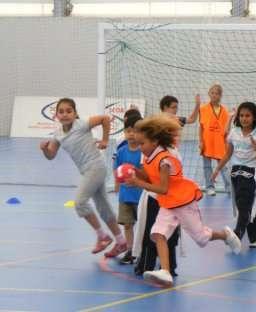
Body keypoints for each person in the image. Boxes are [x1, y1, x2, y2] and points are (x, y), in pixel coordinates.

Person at [126, 114, 241, 286]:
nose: (140, 147)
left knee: (201, 238)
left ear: (155, 142)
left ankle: (224, 235)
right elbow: (150, 177)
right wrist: (134, 171)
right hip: (168, 204)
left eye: (142, 143)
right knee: (157, 233)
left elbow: (162, 188)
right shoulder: (149, 157)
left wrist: (138, 182)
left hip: (182, 202)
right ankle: (165, 271)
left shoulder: (165, 160)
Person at [39, 98, 127, 257]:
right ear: (56, 115)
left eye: (68, 111)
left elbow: (105, 119)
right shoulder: (58, 134)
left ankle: (103, 236)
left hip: (96, 168)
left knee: (80, 202)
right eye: (61, 111)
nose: (65, 114)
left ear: (75, 113)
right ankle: (121, 242)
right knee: (103, 207)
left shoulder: (81, 124)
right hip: (87, 172)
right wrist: (45, 149)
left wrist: (106, 140)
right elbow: (51, 155)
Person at [212, 102, 256, 248]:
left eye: (247, 115)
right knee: (243, 205)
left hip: (250, 174)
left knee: (244, 205)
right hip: (236, 173)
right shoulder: (234, 133)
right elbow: (228, 154)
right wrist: (217, 169)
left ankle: (236, 236)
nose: (244, 118)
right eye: (242, 115)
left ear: (254, 117)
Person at [113, 116, 143, 264]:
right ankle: (130, 251)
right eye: (128, 131)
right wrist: (117, 184)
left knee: (144, 226)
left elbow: (146, 173)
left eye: (135, 131)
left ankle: (144, 251)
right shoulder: (121, 151)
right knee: (127, 224)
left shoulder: (143, 152)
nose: (131, 134)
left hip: (140, 196)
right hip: (125, 196)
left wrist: (138, 181)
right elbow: (116, 168)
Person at [198, 84, 231, 196]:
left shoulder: (225, 111)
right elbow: (201, 127)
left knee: (223, 167)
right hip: (207, 141)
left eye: (217, 93)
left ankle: (229, 188)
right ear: (209, 94)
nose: (214, 95)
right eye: (212, 93)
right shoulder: (203, 109)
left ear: (220, 95)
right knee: (207, 166)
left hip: (220, 142)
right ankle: (210, 187)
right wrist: (201, 141)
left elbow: (227, 129)